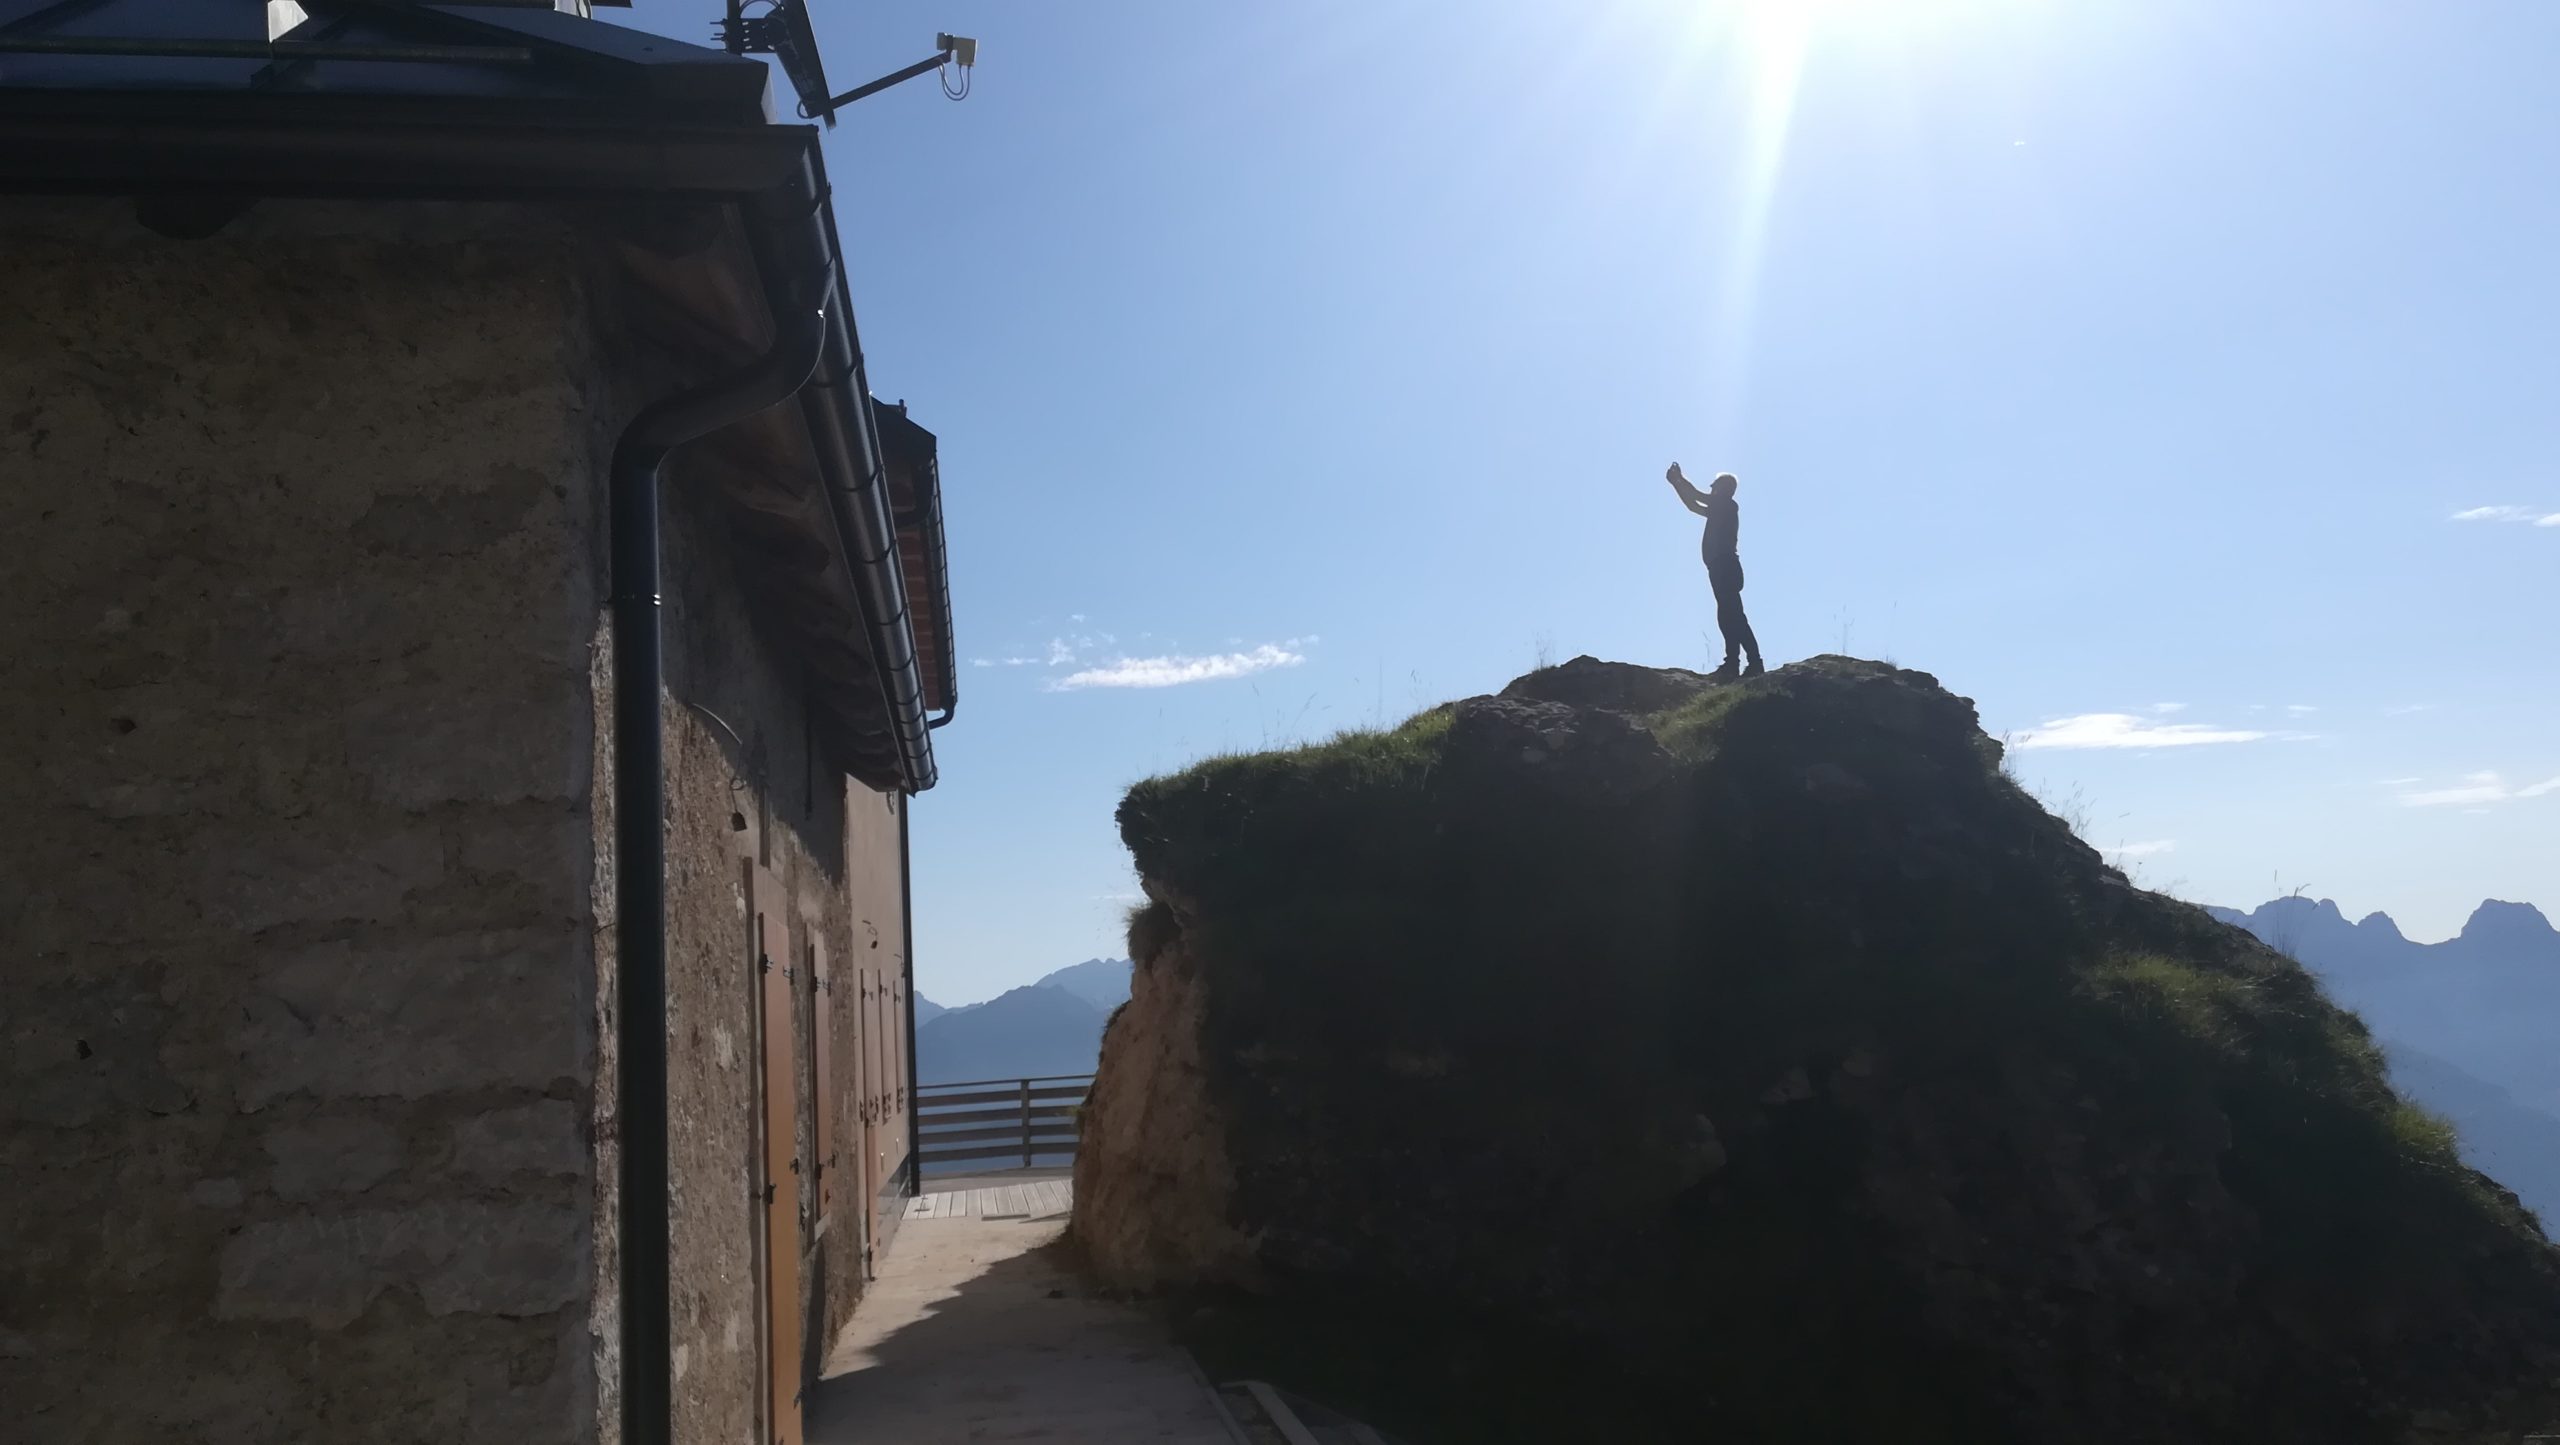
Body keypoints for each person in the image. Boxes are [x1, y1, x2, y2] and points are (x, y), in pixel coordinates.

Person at [1665, 463, 1763, 680]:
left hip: (1725, 566)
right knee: (1728, 616)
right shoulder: (1720, 508)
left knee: (1733, 616)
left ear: (1723, 488)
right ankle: (1735, 663)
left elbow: (1696, 495)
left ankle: (1751, 662)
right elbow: (1692, 505)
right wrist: (1676, 484)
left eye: (1714, 485)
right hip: (1720, 567)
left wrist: (1679, 479)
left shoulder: (1727, 505)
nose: (1711, 488)